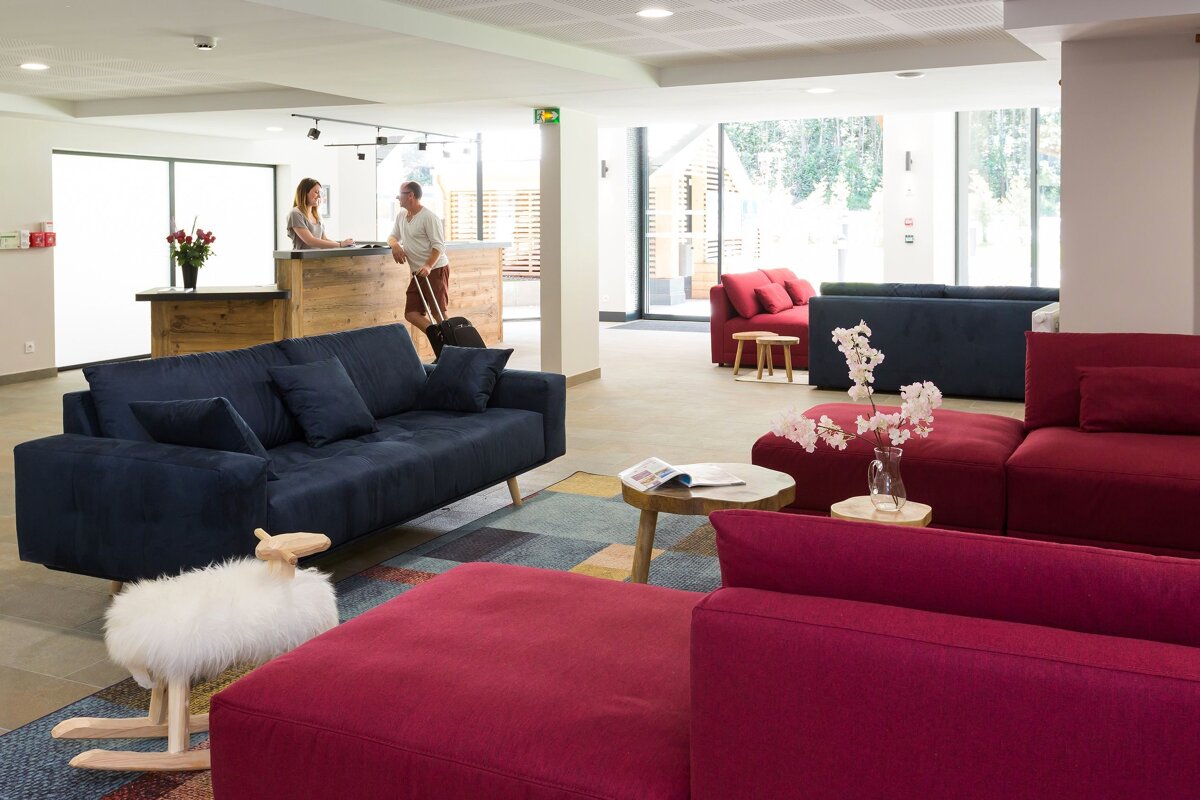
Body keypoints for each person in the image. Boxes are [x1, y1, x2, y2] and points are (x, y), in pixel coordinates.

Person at [387, 181, 450, 334]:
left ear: (410, 196)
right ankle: (437, 338)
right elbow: (392, 236)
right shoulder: (401, 215)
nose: (397, 198)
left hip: (435, 268)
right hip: (418, 273)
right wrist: (395, 245)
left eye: (400, 194)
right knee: (411, 313)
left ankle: (454, 349)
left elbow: (439, 246)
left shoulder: (429, 217)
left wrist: (428, 266)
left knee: (438, 313)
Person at [287, 178, 353, 249]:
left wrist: (343, 245)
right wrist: (340, 245)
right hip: (302, 259)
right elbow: (310, 241)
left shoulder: (317, 215)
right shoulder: (295, 213)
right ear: (305, 193)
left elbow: (324, 239)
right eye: (316, 192)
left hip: (319, 259)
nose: (319, 196)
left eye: (320, 193)